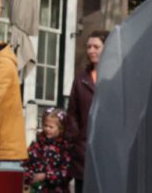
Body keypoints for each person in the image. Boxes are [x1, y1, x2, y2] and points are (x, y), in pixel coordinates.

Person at [66, 29, 107, 191]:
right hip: (83, 150)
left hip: (107, 149)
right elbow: (72, 113)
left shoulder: (116, 76)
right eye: (89, 47)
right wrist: (76, 140)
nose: (91, 51)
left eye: (96, 47)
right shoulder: (81, 79)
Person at [23, 108, 72, 192]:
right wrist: (30, 176)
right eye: (45, 125)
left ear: (61, 129)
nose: (47, 129)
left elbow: (66, 172)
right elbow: (26, 164)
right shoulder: (37, 144)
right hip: (37, 189)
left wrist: (46, 176)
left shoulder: (64, 147)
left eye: (51, 127)